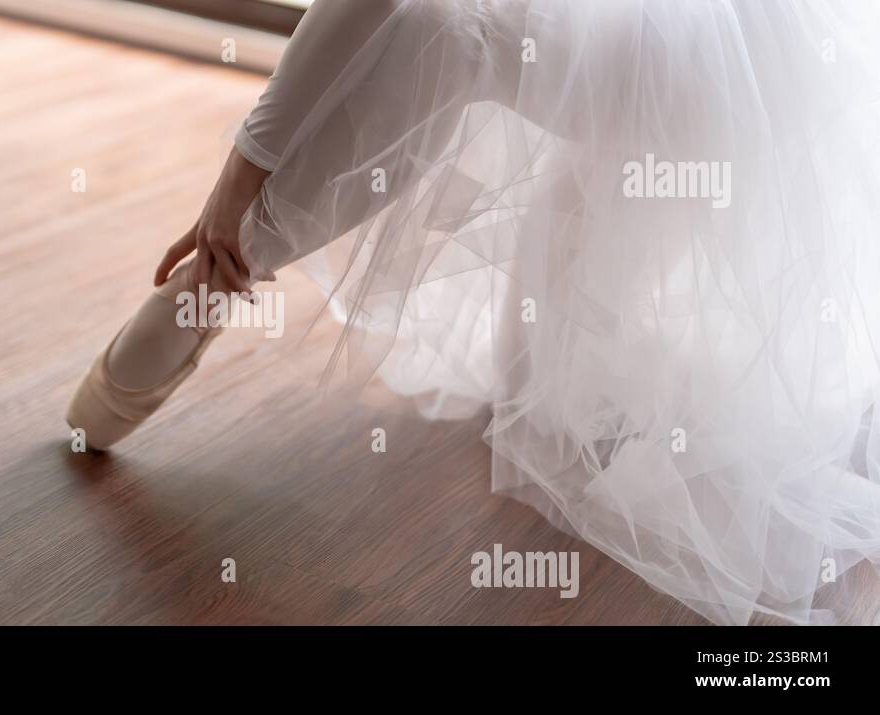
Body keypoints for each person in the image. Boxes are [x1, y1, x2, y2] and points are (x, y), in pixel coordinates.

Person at [68, 0, 880, 625]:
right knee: (535, 354)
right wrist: (244, 179)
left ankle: (233, 261)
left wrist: (239, 187)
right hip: (718, 68)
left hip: (711, 76)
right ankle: (235, 260)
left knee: (450, 31)